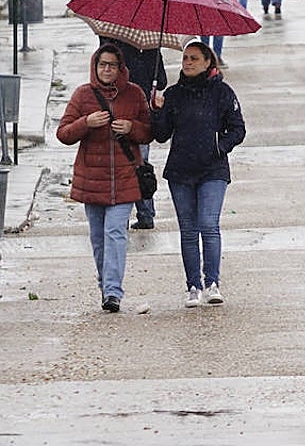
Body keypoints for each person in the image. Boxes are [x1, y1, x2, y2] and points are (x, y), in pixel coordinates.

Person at [56, 44, 152, 313]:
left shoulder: (134, 94)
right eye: (102, 65)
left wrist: (133, 128)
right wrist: (86, 122)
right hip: (92, 179)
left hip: (125, 177)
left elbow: (149, 133)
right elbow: (63, 133)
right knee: (99, 238)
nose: (107, 70)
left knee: (115, 233)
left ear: (121, 68)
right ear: (95, 67)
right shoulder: (83, 95)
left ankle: (113, 291)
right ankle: (105, 285)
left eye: (112, 65)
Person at [151, 39, 246, 308]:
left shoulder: (223, 92)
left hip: (212, 169)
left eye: (194, 58)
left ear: (208, 62)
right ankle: (193, 285)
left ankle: (212, 282)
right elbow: (160, 135)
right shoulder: (173, 94)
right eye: (185, 58)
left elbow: (238, 129)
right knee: (188, 230)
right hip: (181, 170)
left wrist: (220, 145)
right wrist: (156, 111)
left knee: (208, 224)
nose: (188, 63)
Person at [109, 39, 168, 230]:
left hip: (116, 112)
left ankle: (121, 216)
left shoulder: (113, 47)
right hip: (141, 115)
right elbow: (162, 80)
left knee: (118, 166)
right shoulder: (152, 46)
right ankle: (145, 213)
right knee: (140, 165)